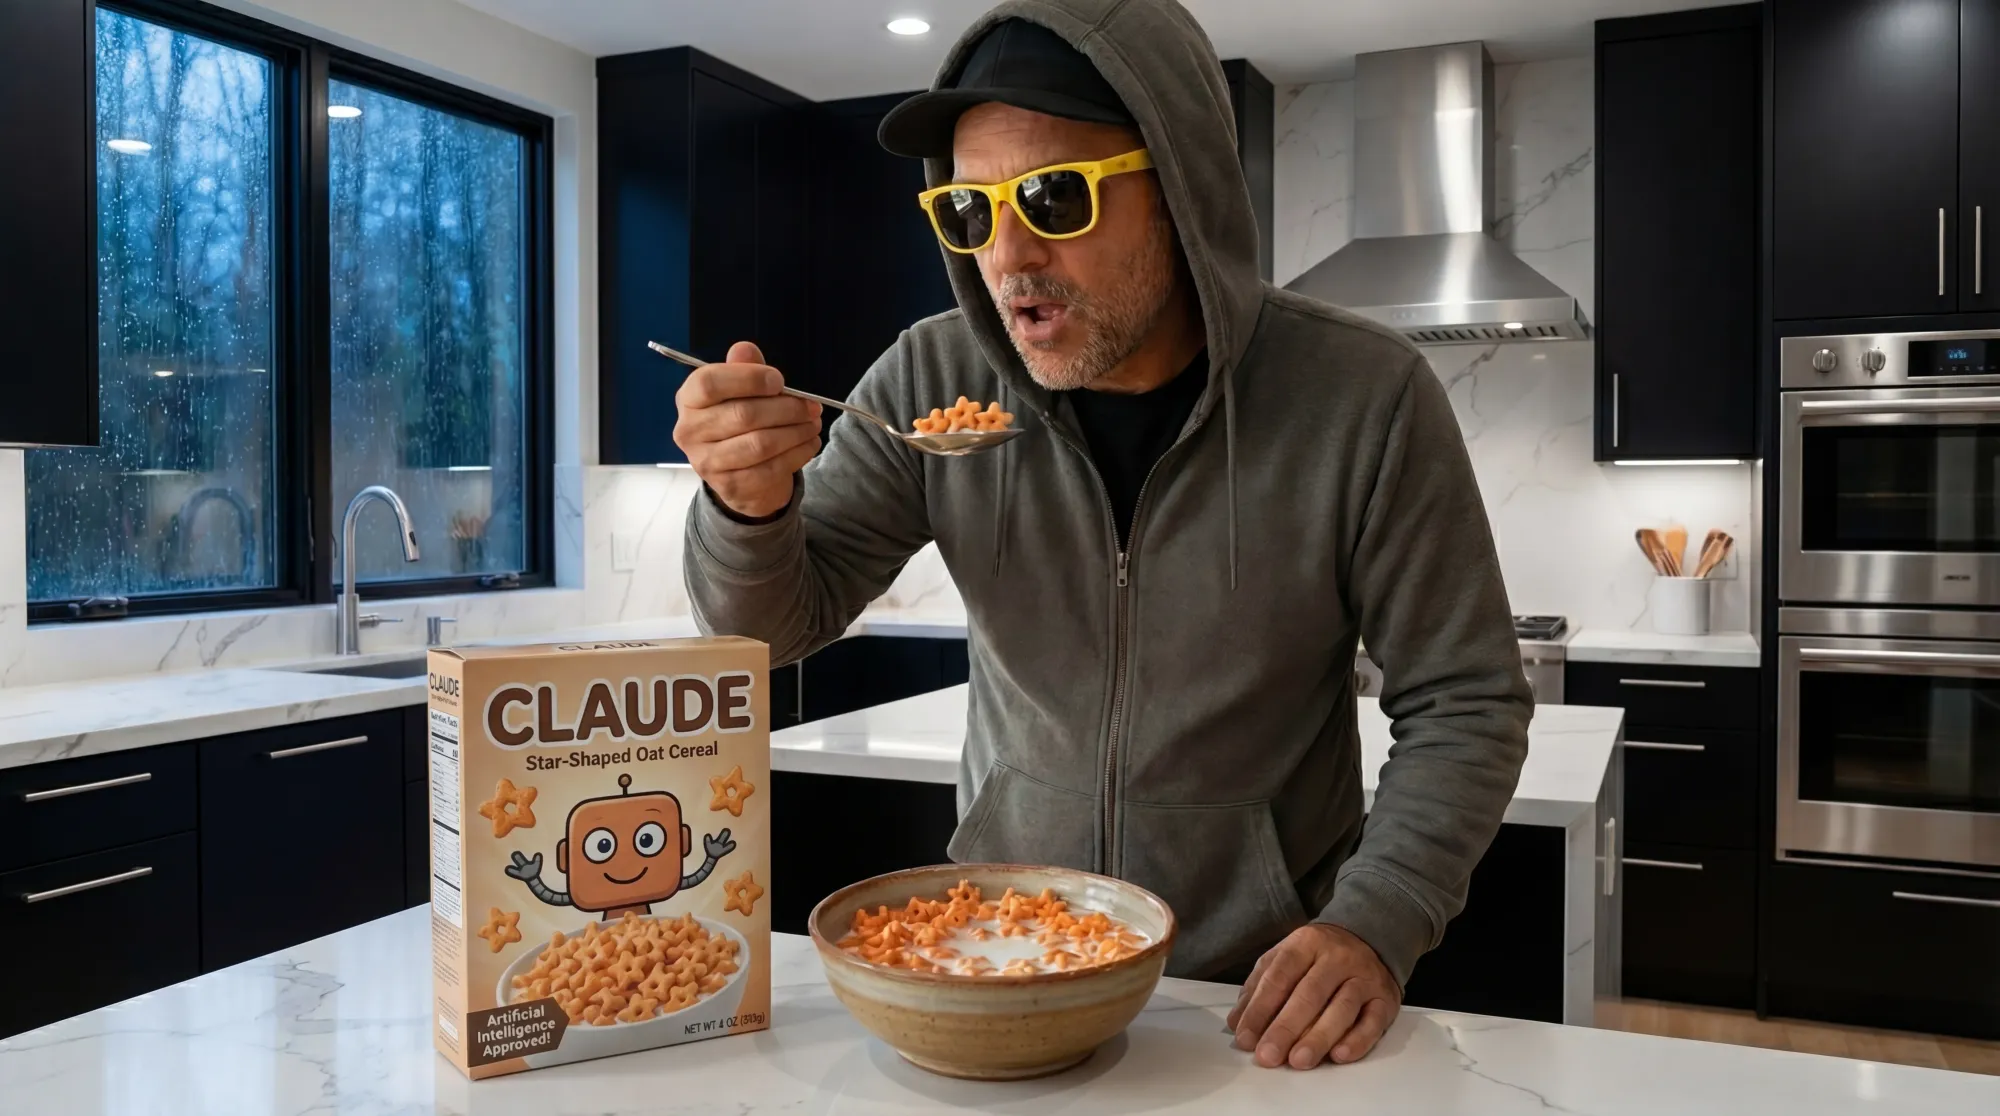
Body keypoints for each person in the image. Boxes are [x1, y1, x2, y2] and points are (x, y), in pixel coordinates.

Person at [674, 0, 1531, 1070]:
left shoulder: (1362, 397)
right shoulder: (933, 380)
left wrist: (1376, 918)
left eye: (1052, 196)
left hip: (1250, 993)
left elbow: (1465, 701)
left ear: (1179, 188)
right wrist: (745, 506)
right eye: (967, 210)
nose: (1010, 254)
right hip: (995, 955)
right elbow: (769, 627)